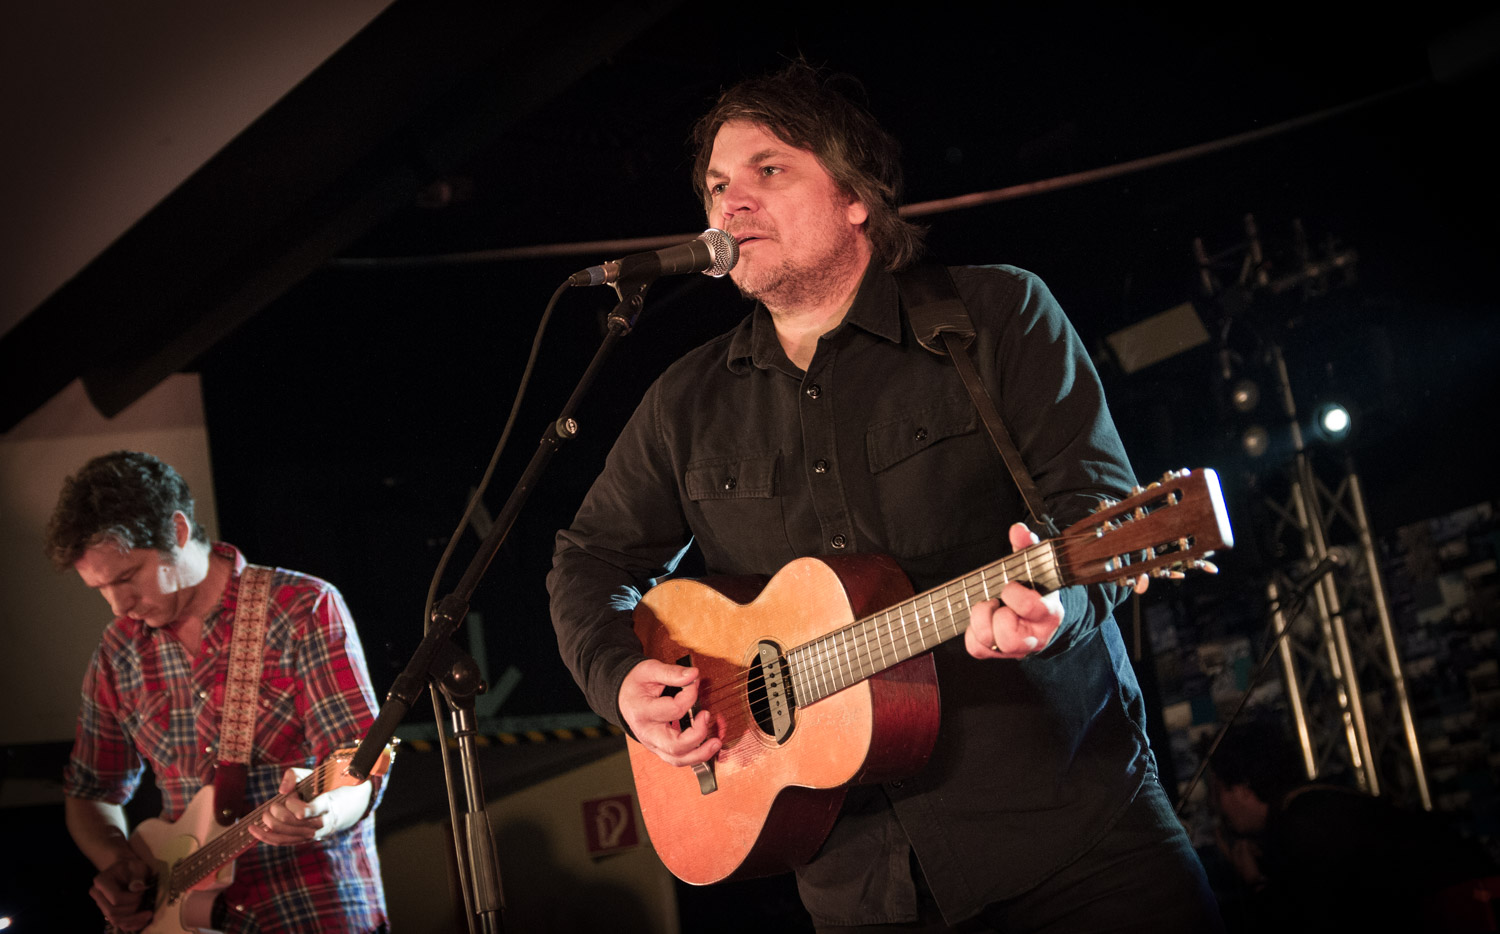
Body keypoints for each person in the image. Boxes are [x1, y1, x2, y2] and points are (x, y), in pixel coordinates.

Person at [547, 62, 1225, 933]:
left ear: (856, 195)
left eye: (769, 170)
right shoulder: (685, 402)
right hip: (858, 887)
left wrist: (1059, 607)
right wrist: (622, 681)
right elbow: (588, 560)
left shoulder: (998, 314)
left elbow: (1092, 503)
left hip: (1073, 842)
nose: (731, 203)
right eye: (717, 185)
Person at [47, 450, 390, 934]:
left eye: (126, 578)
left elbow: (362, 760)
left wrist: (326, 812)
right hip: (177, 911)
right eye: (100, 589)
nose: (118, 607)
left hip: (309, 897)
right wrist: (116, 858)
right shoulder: (117, 650)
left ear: (179, 532)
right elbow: (90, 790)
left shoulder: (302, 607)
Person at [1206, 717, 1498, 933]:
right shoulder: (1308, 806)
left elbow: (1318, 920)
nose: (1217, 806)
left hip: (1466, 907)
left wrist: (1255, 881)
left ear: (1242, 789)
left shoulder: (1301, 825)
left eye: (1218, 791)